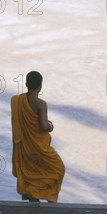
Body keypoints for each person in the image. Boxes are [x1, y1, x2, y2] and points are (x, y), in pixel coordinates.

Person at [11, 71, 65, 203]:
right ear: (40, 86)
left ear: (26, 84)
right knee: (58, 169)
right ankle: (37, 193)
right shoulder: (41, 104)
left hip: (26, 145)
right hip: (40, 147)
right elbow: (44, 126)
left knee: (33, 171)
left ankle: (33, 195)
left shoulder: (17, 100)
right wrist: (51, 126)